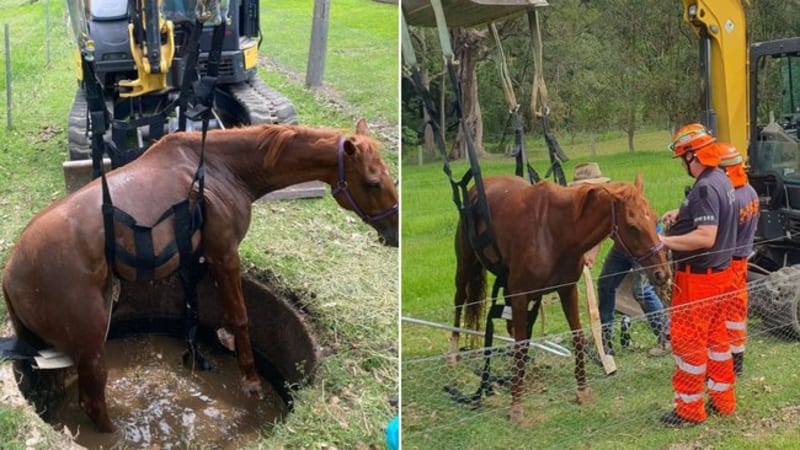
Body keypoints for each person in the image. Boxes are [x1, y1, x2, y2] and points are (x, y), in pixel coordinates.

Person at [659, 123, 737, 427]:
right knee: (718, 342)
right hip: (721, 275)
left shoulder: (704, 186)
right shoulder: (720, 179)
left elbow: (705, 236)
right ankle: (723, 401)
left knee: (689, 343)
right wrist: (681, 215)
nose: (683, 165)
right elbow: (709, 214)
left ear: (694, 156)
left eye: (683, 159)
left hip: (699, 279)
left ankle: (689, 410)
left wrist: (663, 241)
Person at [572, 163, 670, 357]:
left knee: (642, 291)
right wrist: (591, 253)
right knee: (606, 284)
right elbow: (600, 229)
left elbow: (641, 226)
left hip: (644, 244)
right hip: (623, 246)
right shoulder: (594, 205)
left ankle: (667, 337)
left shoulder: (618, 199)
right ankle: (604, 340)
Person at [718, 144, 759, 376]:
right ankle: (737, 361)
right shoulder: (751, 192)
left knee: (726, 315)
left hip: (729, 263)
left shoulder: (731, 199)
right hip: (742, 260)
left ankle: (731, 364)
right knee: (736, 313)